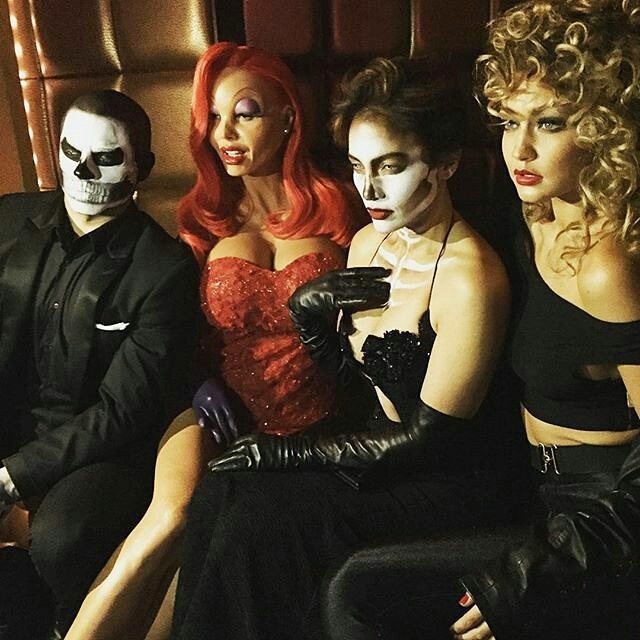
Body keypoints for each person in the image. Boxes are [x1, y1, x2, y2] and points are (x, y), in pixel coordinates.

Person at [170, 56, 520, 640]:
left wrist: (286, 454)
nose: (369, 189)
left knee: (257, 524)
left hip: (445, 478)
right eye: (358, 166)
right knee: (220, 491)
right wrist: (312, 325)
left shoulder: (471, 277)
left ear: (445, 163)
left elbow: (427, 440)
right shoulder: (368, 242)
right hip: (378, 454)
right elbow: (359, 387)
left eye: (390, 166)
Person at [321, 1, 640, 639]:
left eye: (549, 123)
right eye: (509, 121)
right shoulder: (525, 216)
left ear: (605, 129)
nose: (520, 148)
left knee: (358, 592)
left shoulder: (608, 267)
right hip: (526, 489)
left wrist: (547, 567)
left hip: (599, 520)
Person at [64, 42, 361, 640]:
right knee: (172, 515)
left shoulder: (344, 213)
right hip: (212, 407)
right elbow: (176, 333)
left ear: (289, 116)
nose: (224, 133)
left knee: (216, 541)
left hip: (315, 423)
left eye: (245, 113)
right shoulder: (203, 220)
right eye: (214, 118)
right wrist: (198, 383)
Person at [0, 89, 200, 639]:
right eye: (71, 152)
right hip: (12, 424)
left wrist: (12, 478)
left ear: (143, 168)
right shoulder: (10, 218)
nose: (82, 170)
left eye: (106, 158)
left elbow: (121, 413)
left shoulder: (164, 268)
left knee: (63, 537)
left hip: (98, 450)